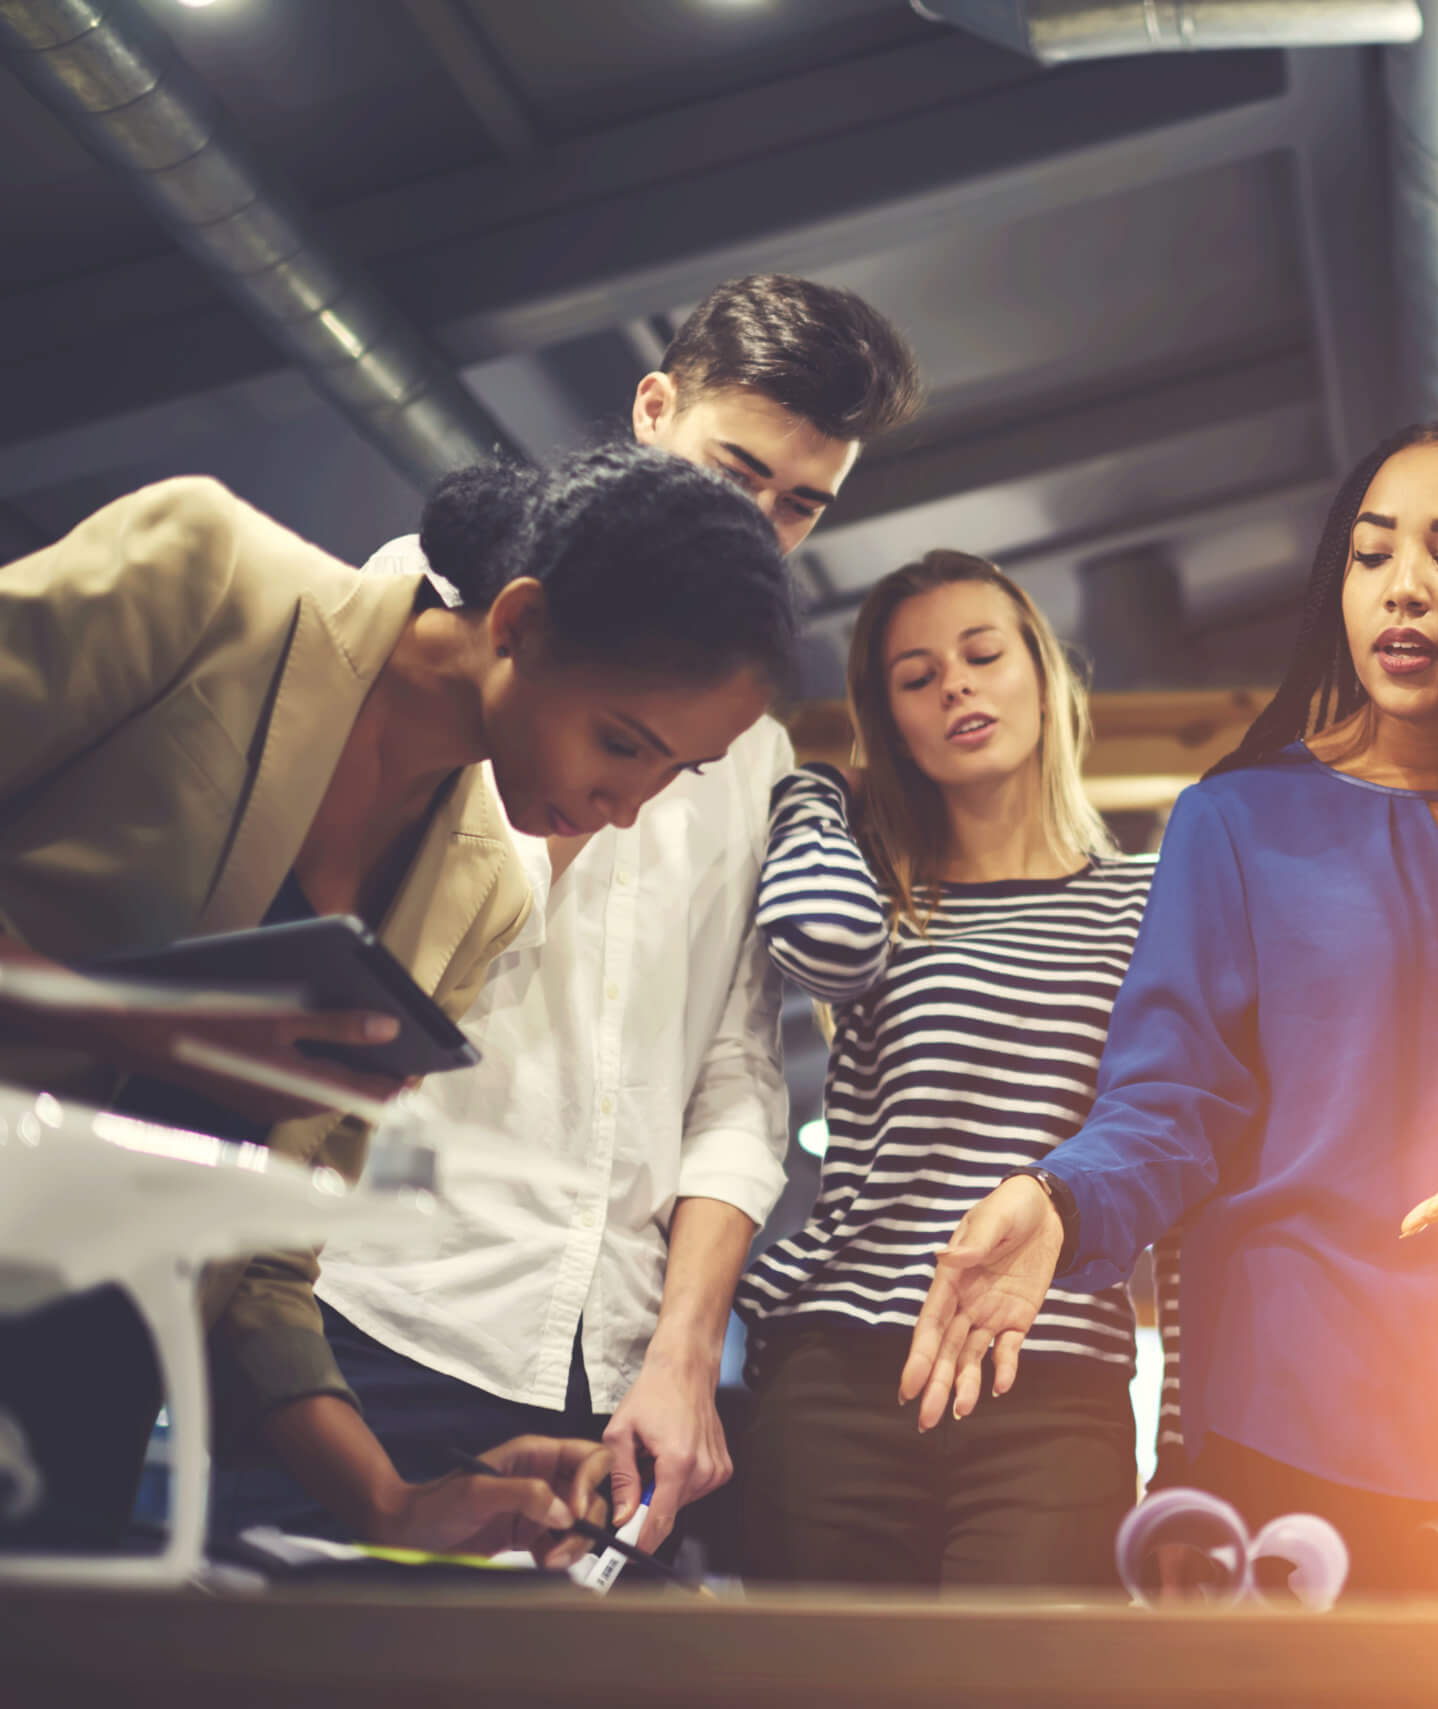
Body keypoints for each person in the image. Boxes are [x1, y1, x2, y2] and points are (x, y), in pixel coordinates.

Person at [897, 421, 1438, 1596]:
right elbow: (1169, 1101)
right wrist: (1059, 1197)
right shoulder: (1239, 820)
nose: (1404, 587)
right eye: (1371, 554)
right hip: (1297, 1428)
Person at [0, 442, 792, 1560]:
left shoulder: (480, 885)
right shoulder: (210, 578)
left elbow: (269, 1249)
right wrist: (120, 1020)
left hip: (80, 1392)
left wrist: (391, 1498)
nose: (627, 808)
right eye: (622, 742)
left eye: (676, 773)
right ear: (515, 622)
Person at [297, 276, 922, 1555]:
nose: (760, 520)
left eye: (801, 501)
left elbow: (739, 1072)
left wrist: (687, 1353)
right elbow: (337, 946)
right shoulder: (441, 600)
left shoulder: (746, 747)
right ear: (652, 408)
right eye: (734, 468)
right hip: (372, 1291)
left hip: (611, 1357)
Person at [734, 550, 1151, 1591]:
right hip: (841, 1368)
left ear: (1042, 673)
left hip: (1054, 1376)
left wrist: (1185, 1436)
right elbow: (817, 944)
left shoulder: (1148, 898)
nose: (956, 684)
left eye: (981, 653)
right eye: (915, 678)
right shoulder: (875, 892)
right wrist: (818, 787)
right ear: (892, 723)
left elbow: (1176, 1134)